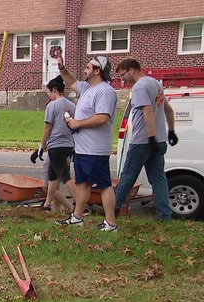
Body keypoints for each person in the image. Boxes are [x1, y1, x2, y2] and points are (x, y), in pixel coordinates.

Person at [55, 55, 119, 231]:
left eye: (88, 67)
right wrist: (62, 68)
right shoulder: (87, 88)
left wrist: (78, 123)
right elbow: (72, 82)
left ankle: (111, 223)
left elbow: (102, 117)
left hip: (96, 149)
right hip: (82, 148)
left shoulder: (104, 91)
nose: (85, 69)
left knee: (104, 185)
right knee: (82, 184)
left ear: (97, 71)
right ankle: (77, 217)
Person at [114, 58, 178, 220]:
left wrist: (150, 137)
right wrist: (171, 131)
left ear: (132, 70)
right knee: (158, 178)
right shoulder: (156, 84)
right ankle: (165, 215)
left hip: (143, 141)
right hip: (160, 140)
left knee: (128, 176)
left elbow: (148, 111)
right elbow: (168, 110)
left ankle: (112, 210)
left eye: (123, 75)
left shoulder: (140, 87)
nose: (123, 79)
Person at [33, 75, 77, 212]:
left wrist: (41, 145)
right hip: (69, 145)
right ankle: (48, 205)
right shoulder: (72, 106)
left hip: (56, 146)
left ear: (55, 90)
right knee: (52, 178)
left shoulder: (52, 106)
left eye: (49, 92)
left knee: (65, 177)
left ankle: (81, 205)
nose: (49, 95)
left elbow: (48, 127)